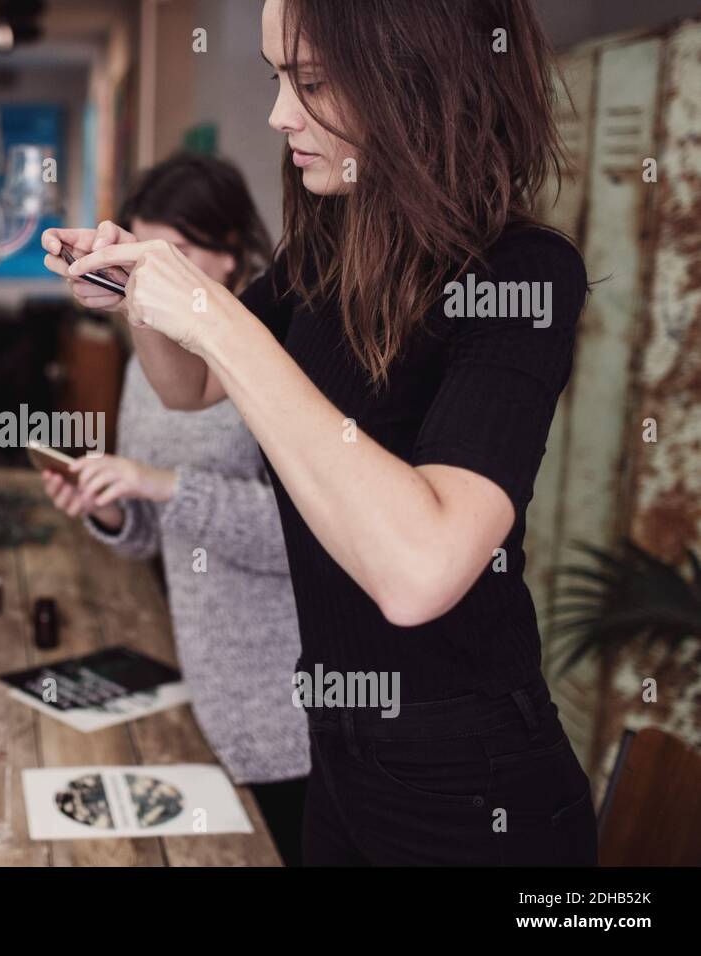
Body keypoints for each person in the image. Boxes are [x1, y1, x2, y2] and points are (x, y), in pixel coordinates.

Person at [44, 0, 597, 865]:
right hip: (336, 749)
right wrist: (137, 296)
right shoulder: (322, 261)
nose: (278, 115)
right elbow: (189, 387)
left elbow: (420, 571)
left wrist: (213, 313)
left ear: (414, 81)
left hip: (469, 780)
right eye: (276, 79)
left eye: (310, 82)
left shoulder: (523, 276)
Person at [39, 153, 309, 865]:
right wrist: (108, 505)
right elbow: (148, 536)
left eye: (177, 255)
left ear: (229, 258)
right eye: (143, 252)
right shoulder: (148, 353)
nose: (150, 276)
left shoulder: (274, 348)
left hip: (282, 696)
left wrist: (161, 482)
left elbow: (306, 538)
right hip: (192, 671)